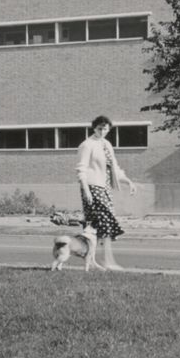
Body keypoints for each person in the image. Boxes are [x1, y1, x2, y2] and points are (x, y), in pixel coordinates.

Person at [75, 115, 137, 270]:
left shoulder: (107, 145)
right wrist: (86, 189)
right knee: (105, 222)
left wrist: (128, 181)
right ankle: (107, 261)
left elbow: (114, 168)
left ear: (109, 129)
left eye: (105, 129)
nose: (102, 131)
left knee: (97, 226)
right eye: (99, 128)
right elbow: (81, 168)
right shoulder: (87, 145)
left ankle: (96, 261)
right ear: (94, 128)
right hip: (92, 187)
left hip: (105, 188)